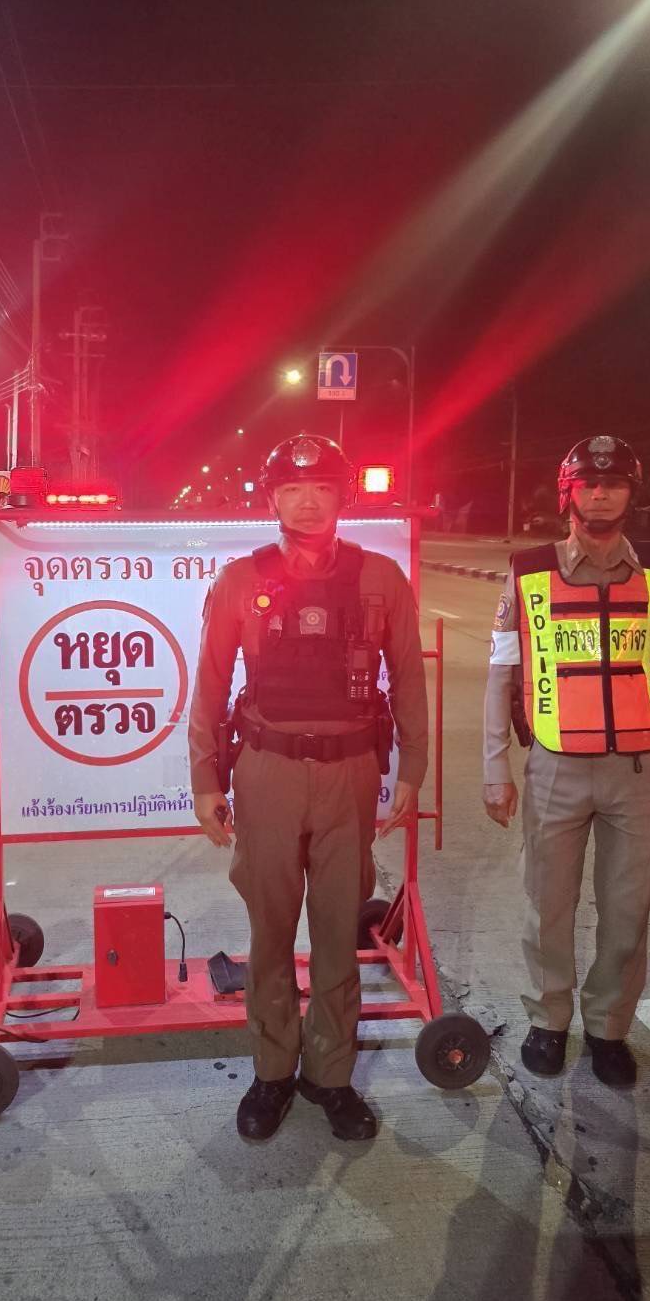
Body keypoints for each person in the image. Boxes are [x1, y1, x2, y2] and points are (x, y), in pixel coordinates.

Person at [189, 433, 429, 1142]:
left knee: (335, 931)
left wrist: (412, 768)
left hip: (349, 775)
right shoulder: (240, 579)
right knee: (269, 931)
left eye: (321, 488)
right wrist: (205, 778)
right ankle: (272, 1071)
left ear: (341, 496)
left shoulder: (381, 577)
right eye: (292, 489)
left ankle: (330, 1075)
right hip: (266, 770)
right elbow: (210, 686)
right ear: (272, 499)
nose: (307, 501)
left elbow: (408, 678)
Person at [483, 435, 650, 1087]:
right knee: (546, 907)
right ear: (569, 493)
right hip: (555, 769)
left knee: (627, 912)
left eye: (614, 483)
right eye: (589, 482)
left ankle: (608, 1028)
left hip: (639, 774)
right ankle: (548, 1021)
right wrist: (495, 767)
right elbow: (501, 675)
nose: (601, 493)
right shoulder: (528, 571)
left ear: (632, 494)